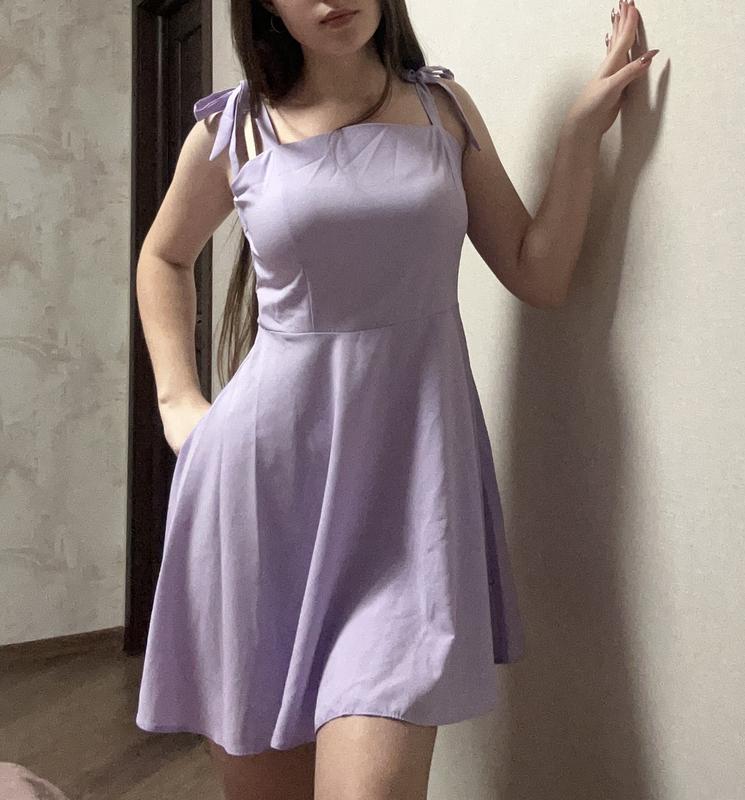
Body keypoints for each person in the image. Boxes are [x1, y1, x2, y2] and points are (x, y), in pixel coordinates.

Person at [134, 0, 658, 797]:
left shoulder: (441, 108)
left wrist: (580, 134)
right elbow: (164, 256)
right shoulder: (235, 127)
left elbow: (537, 271)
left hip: (407, 508)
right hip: (258, 500)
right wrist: (178, 400)